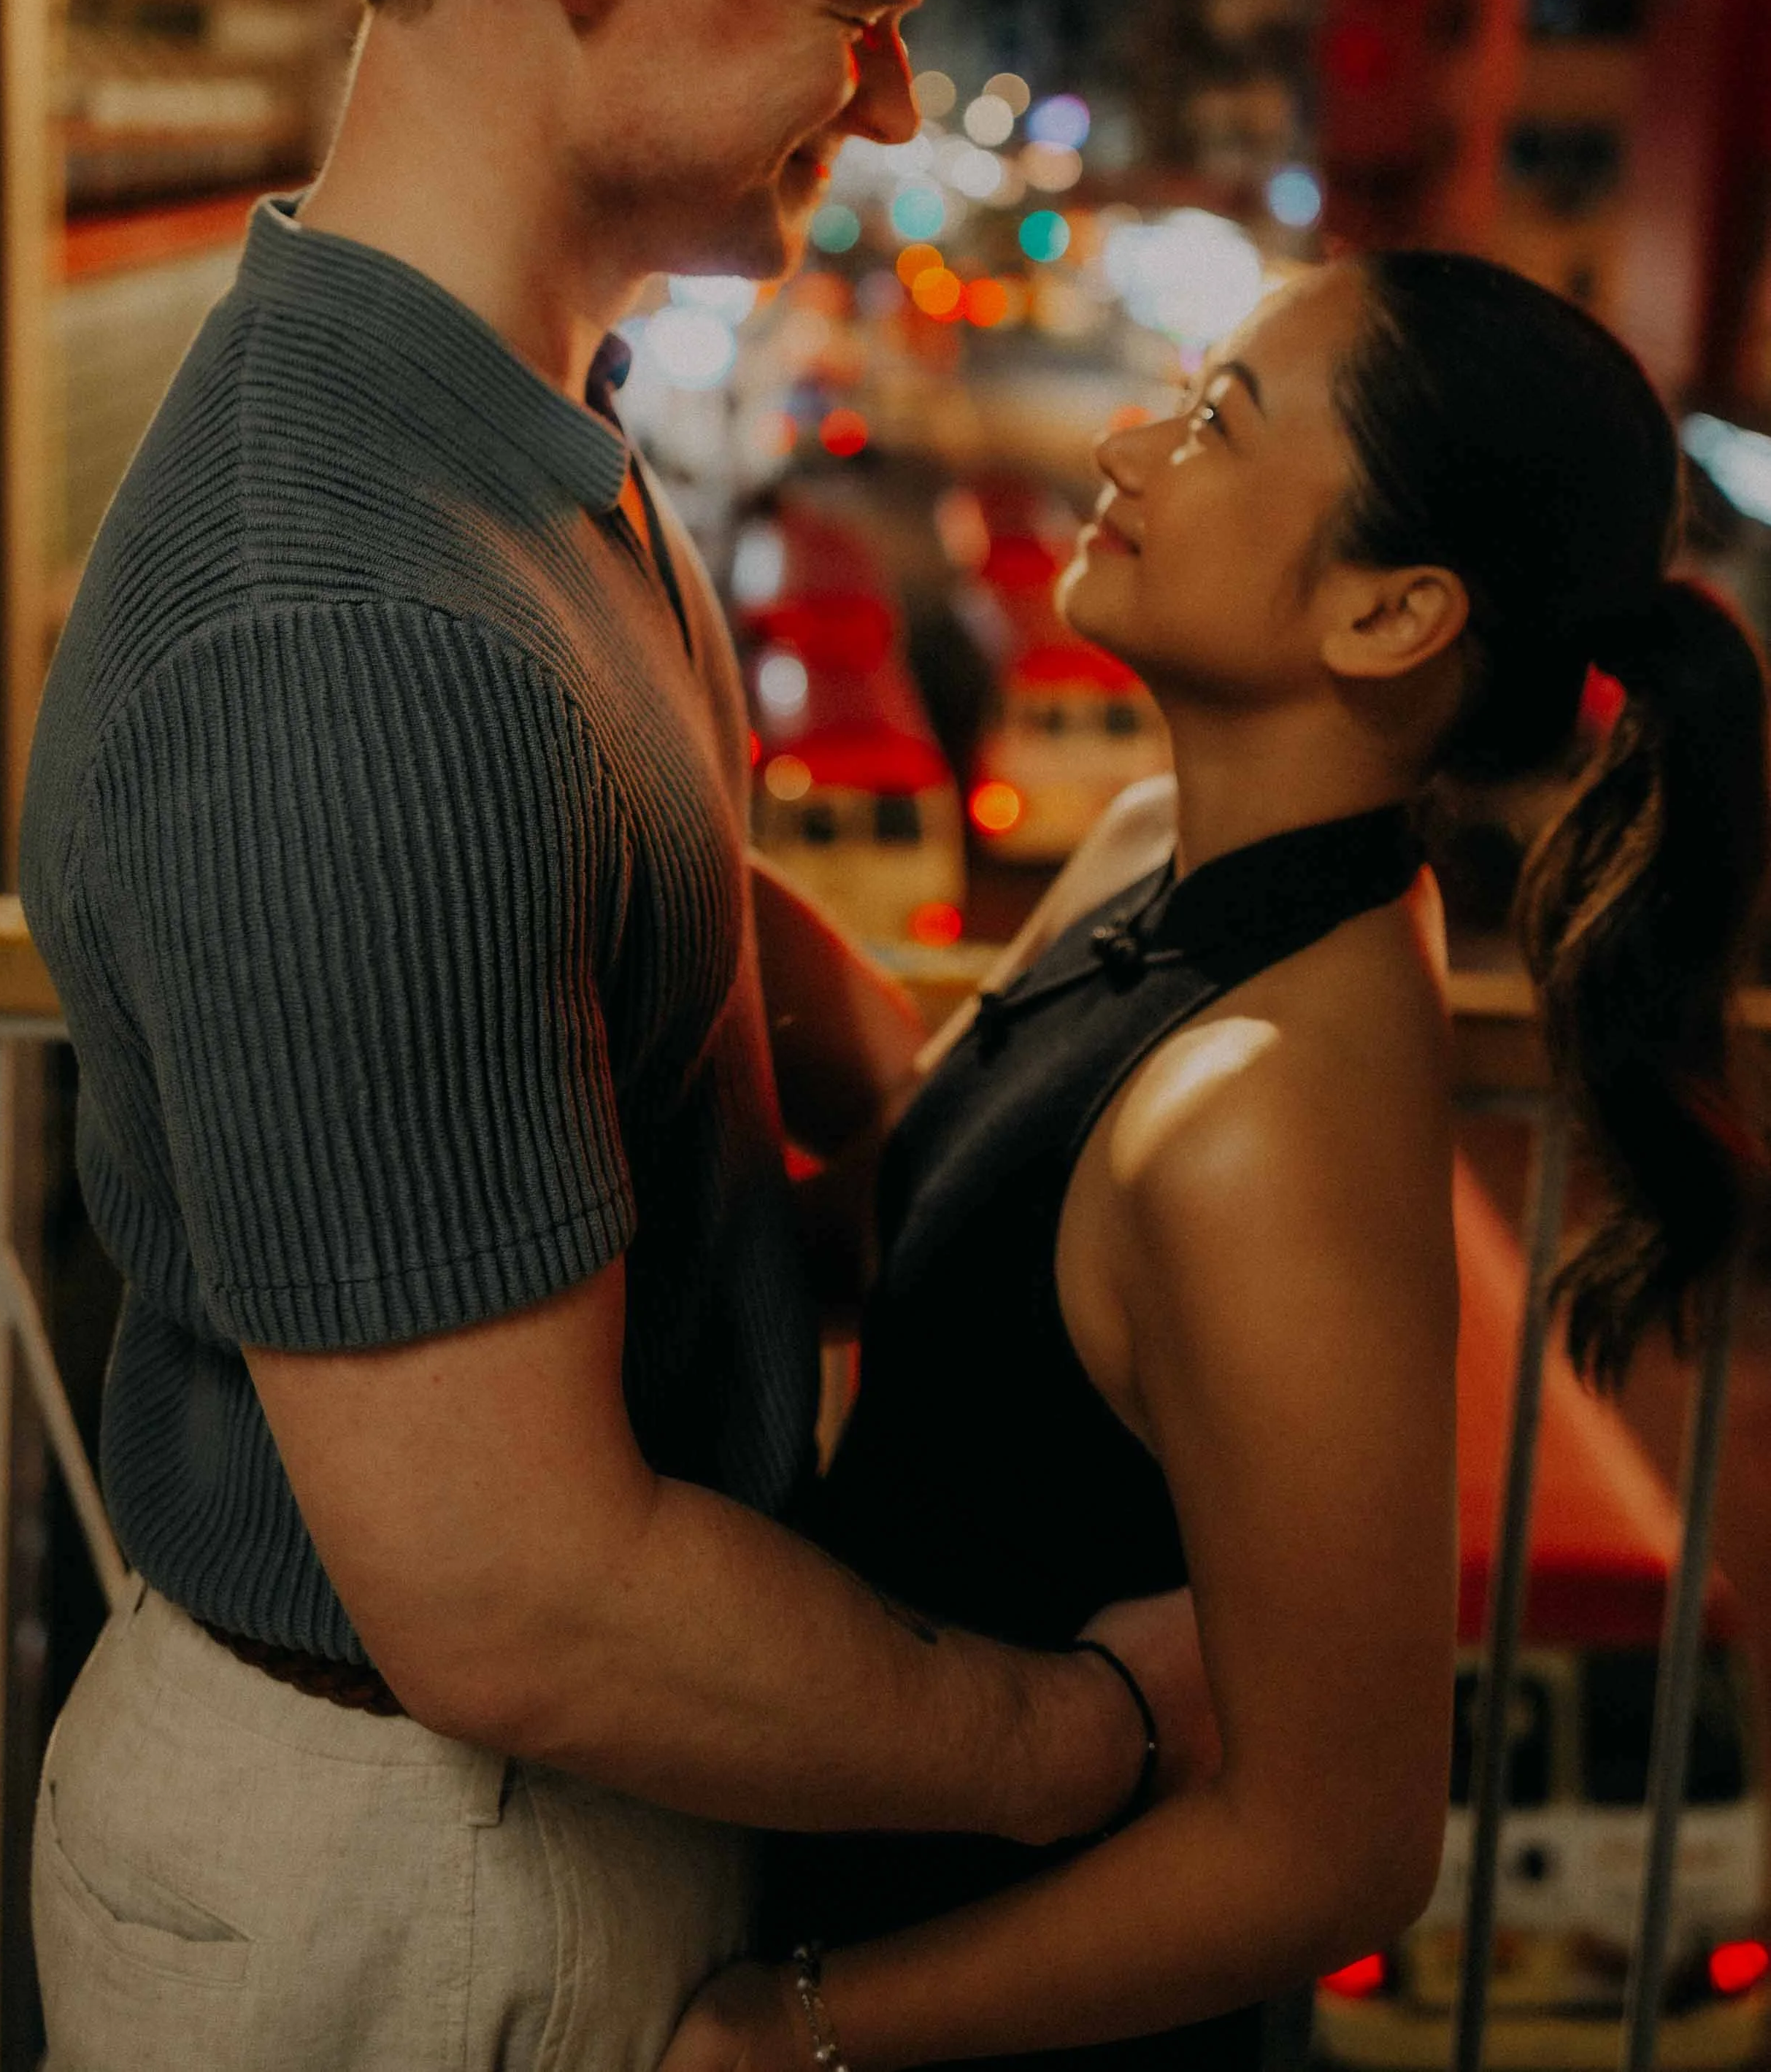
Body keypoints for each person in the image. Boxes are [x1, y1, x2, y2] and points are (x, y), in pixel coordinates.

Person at [19, 0, 1213, 2072]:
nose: (893, 96)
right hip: (432, 1867)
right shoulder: (356, 634)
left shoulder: (497, 426)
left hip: (505, 1819)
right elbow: (519, 1597)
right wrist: (1079, 1737)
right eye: (856, 11)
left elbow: (624, 893)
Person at [662, 246, 1771, 2072]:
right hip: (853, 1852)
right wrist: (633, 808)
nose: (1119, 443)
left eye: (1208, 422)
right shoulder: (1150, 845)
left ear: (1388, 613)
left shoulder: (1258, 1109)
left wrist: (793, 2032)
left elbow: (1331, 1849)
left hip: (973, 2006)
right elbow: (896, 1200)